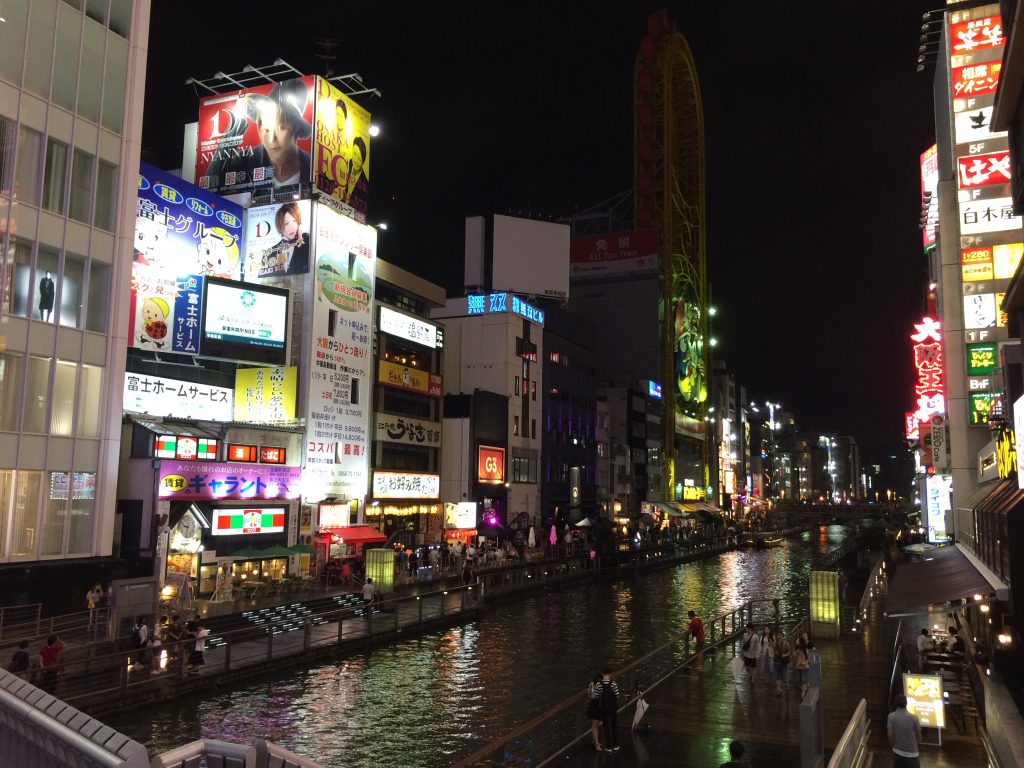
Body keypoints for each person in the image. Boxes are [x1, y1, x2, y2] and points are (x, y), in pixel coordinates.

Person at [887, 694, 922, 767]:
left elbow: (890, 734)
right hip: (912, 752)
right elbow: (919, 736)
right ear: (906, 703)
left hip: (897, 750)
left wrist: (892, 745)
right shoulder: (914, 718)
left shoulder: (891, 716)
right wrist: (916, 744)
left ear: (896, 703)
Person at [595, 668, 620, 752]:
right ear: (611, 673)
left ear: (602, 673)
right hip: (613, 707)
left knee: (606, 726)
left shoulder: (598, 684)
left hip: (604, 707)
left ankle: (608, 747)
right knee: (614, 725)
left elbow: (596, 696)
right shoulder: (613, 683)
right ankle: (616, 745)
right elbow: (617, 695)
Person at [586, 673, 604, 751]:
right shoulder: (592, 685)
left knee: (598, 724)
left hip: (601, 704)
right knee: (595, 724)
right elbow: (591, 696)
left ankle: (596, 741)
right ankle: (596, 744)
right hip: (595, 705)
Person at [773, 630, 792, 697]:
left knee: (784, 675)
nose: (779, 637)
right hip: (777, 661)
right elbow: (773, 651)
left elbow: (789, 652)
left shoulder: (786, 644)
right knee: (777, 676)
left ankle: (786, 684)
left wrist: (785, 655)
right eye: (778, 636)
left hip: (784, 662)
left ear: (783, 637)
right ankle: (779, 690)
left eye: (781, 636)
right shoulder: (774, 643)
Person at [794, 634, 811, 698]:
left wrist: (805, 662)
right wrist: (796, 653)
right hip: (798, 667)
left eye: (798, 640)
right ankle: (806, 684)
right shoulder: (797, 649)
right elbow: (795, 657)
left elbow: (808, 658)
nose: (796, 641)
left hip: (805, 667)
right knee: (799, 679)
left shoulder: (805, 650)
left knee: (803, 680)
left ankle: (803, 693)